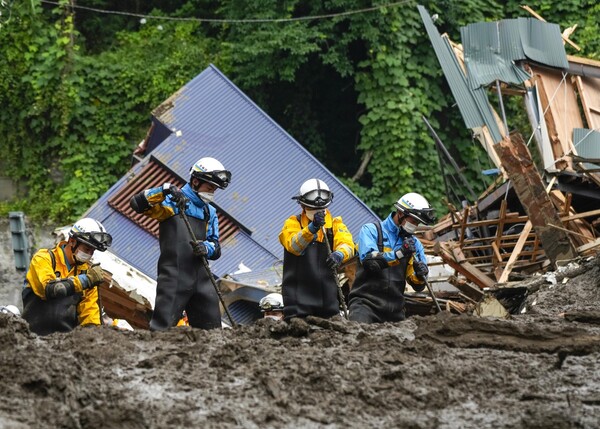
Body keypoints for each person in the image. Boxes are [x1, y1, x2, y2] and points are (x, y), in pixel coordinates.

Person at [129, 156, 231, 330]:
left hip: (203, 279)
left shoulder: (210, 212)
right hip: (175, 277)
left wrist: (206, 248)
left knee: (212, 332)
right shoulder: (171, 202)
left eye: (214, 189)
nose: (211, 192)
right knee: (162, 329)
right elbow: (137, 203)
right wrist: (165, 190)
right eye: (209, 187)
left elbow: (216, 247)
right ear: (196, 181)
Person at [348, 192, 435, 324]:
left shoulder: (415, 244)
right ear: (400, 213)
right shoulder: (371, 231)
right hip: (365, 307)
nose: (416, 225)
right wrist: (399, 253)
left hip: (395, 311)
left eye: (418, 223)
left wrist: (421, 274)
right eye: (414, 221)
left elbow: (418, 286)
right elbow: (370, 262)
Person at [279, 178, 354, 320]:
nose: (317, 212)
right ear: (302, 205)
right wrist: (312, 229)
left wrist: (339, 254)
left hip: (328, 305)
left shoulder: (335, 225)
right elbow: (293, 246)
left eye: (320, 209)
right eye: (312, 209)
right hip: (297, 306)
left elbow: (348, 245)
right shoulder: (292, 223)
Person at [22, 218, 112, 335]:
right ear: (72, 241)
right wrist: (85, 280)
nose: (89, 254)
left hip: (64, 345)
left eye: (92, 251)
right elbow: (49, 289)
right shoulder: (44, 258)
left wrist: (93, 336)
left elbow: (90, 317)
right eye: (86, 249)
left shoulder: (87, 273)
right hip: (30, 338)